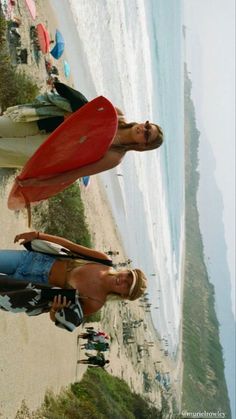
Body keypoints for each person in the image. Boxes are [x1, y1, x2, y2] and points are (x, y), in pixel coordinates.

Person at [0, 82, 164, 186]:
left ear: (144, 145)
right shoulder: (117, 115)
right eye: (147, 126)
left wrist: (40, 182)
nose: (143, 129)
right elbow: (85, 107)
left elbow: (77, 173)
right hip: (46, 122)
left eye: (147, 135)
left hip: (46, 150)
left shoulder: (115, 155)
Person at [0, 230, 147, 331]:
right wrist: (38, 235)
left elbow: (56, 318)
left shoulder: (94, 302)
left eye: (127, 285)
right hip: (33, 261)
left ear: (124, 295)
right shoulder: (103, 261)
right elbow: (69, 246)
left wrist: (55, 309)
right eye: (128, 275)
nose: (123, 280)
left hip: (29, 288)